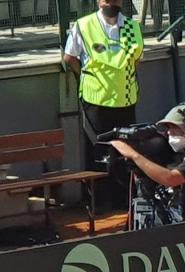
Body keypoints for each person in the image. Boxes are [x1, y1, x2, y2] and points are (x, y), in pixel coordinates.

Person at [62, 0, 143, 204]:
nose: (112, 3)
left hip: (125, 99)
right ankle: (98, 202)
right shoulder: (83, 25)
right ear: (99, 1)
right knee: (99, 151)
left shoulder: (132, 27)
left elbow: (136, 60)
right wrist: (87, 78)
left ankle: (125, 200)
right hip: (95, 100)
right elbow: (70, 57)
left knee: (126, 151)